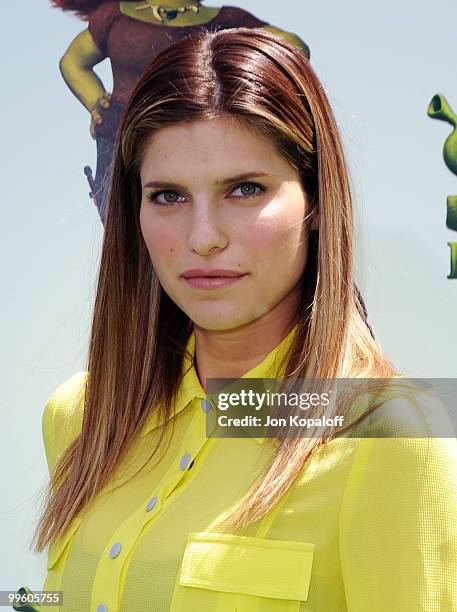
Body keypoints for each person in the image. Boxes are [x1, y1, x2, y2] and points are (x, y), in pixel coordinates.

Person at [15, 27, 457, 611]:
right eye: (168, 196)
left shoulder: (387, 436)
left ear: (317, 200)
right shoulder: (81, 416)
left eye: (245, 189)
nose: (203, 239)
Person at [52, 0, 310, 225]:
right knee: (126, 235)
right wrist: (97, 102)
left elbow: (293, 47)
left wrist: (245, 89)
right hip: (119, 142)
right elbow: (73, 62)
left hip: (198, 140)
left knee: (192, 223)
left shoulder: (226, 19)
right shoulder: (115, 16)